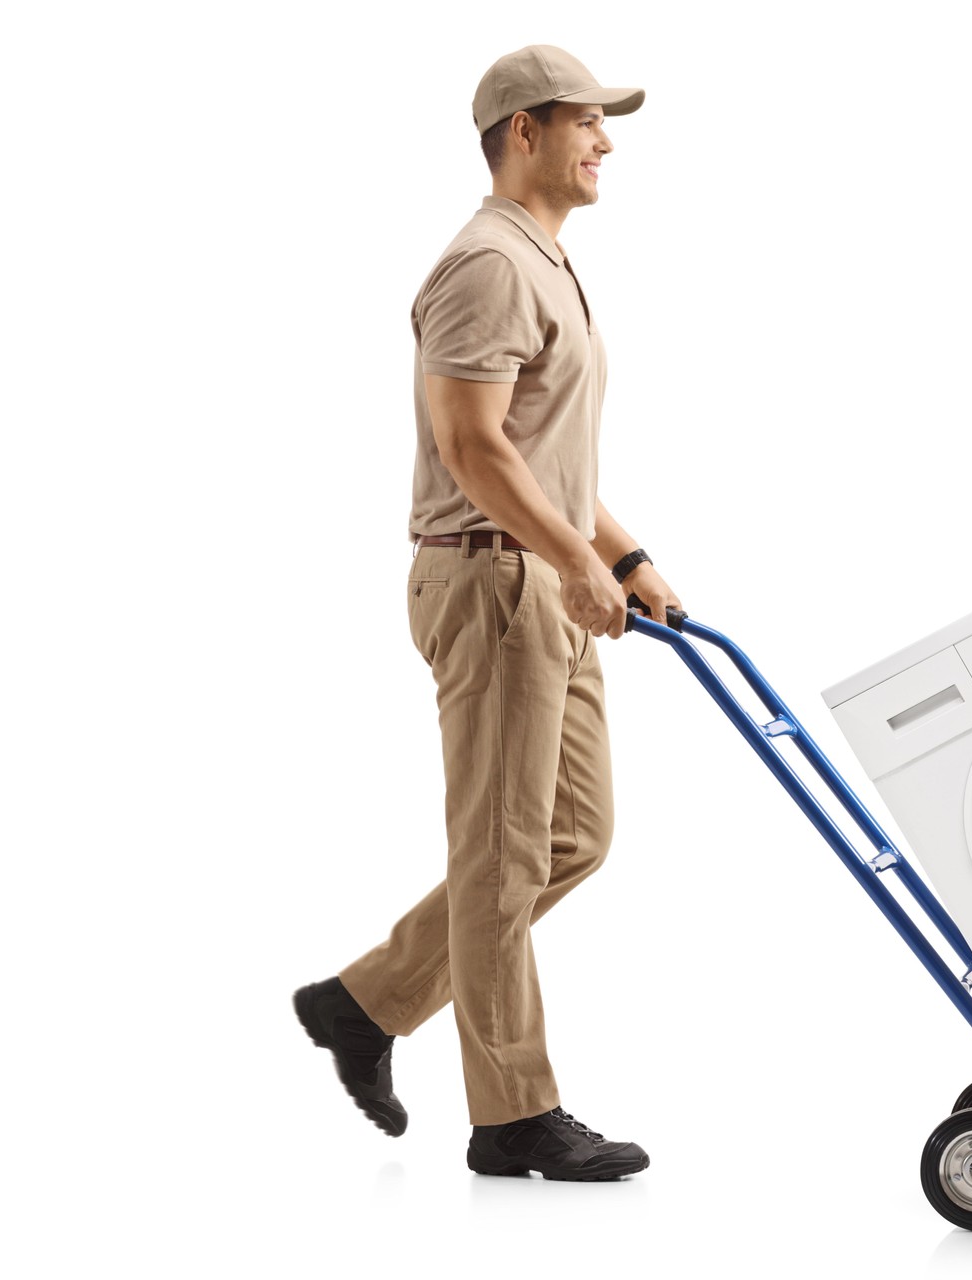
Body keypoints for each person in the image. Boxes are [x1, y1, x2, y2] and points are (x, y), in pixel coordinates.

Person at [293, 44, 683, 1182]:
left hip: (546, 578)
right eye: (587, 122)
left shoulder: (542, 260)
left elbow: (541, 449)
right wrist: (570, 557)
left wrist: (627, 551)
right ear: (524, 131)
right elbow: (470, 446)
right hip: (497, 583)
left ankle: (366, 1000)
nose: (605, 140)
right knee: (504, 855)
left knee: (572, 835)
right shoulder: (488, 266)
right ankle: (513, 1114)